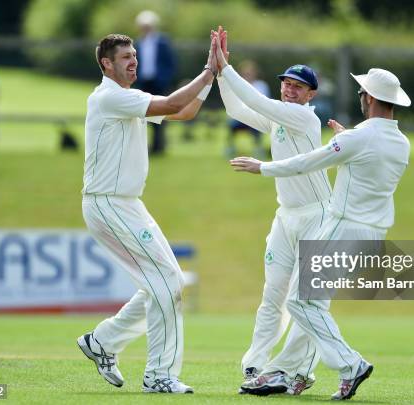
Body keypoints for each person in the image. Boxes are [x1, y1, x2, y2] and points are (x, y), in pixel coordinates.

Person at [230, 67, 412, 400]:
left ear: (368, 97)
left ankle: (349, 364)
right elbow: (367, 164)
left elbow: (306, 162)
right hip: (373, 234)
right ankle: (288, 373)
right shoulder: (400, 142)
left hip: (342, 227)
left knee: (300, 302)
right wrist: (347, 141)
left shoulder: (356, 138)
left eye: (361, 94)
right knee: (310, 304)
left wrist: (262, 167)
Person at [77, 33, 217, 394]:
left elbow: (184, 112)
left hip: (125, 203)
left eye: (135, 55)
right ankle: (159, 375)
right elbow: (172, 104)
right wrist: (207, 70)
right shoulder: (111, 97)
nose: (133, 61)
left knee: (165, 282)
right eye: (125, 56)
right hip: (109, 202)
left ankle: (103, 341)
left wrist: (212, 77)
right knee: (167, 283)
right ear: (106, 64)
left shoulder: (127, 99)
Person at [212, 27, 331, 395]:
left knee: (303, 300)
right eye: (286, 83)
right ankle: (256, 364)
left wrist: (227, 68)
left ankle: (299, 370)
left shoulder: (305, 118)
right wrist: (219, 72)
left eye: (298, 86)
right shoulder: (279, 118)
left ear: (310, 94)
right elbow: (236, 108)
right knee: (272, 295)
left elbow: (261, 103)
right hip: (286, 216)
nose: (289, 89)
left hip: (318, 216)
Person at [133, 10, 177, 155]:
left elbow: (171, 63)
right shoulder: (138, 43)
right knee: (142, 115)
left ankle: (159, 146)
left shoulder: (162, 42)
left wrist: (165, 79)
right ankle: (145, 146)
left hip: (158, 82)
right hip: (143, 82)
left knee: (159, 115)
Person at [224, 60, 270, 158]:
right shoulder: (237, 85)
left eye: (250, 72)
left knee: (257, 127)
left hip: (255, 118)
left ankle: (258, 148)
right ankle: (230, 148)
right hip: (240, 118)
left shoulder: (261, 85)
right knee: (231, 125)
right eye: (246, 73)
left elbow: (264, 103)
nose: (248, 75)